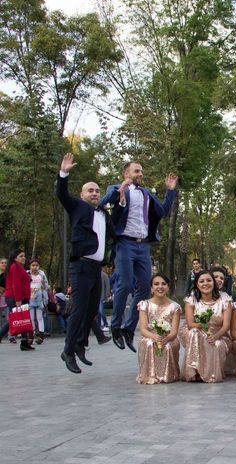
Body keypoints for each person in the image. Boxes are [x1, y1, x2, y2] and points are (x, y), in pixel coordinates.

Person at [100, 161, 177, 353]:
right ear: (126, 173)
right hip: (124, 243)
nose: (140, 173)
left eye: (141, 171)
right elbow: (104, 203)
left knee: (144, 287)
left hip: (143, 246)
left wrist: (170, 191)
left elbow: (163, 212)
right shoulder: (117, 188)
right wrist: (122, 187)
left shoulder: (146, 193)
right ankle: (116, 326)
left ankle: (128, 329)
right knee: (125, 284)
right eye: (136, 171)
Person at [55, 154, 111, 373]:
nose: (95, 193)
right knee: (79, 310)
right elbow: (61, 194)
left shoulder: (103, 213)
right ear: (82, 194)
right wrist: (64, 173)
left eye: (97, 191)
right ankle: (68, 351)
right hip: (80, 266)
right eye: (91, 190)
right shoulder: (77, 206)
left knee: (90, 311)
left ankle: (79, 345)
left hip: (96, 268)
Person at [180, 270, 232, 383]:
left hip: (220, 334)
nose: (205, 283)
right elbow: (190, 324)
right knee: (194, 332)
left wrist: (216, 336)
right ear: (197, 284)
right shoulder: (191, 298)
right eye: (202, 281)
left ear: (214, 282)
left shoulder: (225, 298)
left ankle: (210, 374)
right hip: (194, 331)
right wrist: (203, 325)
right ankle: (193, 372)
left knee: (216, 344)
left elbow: (226, 325)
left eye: (209, 280)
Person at [136, 273, 182, 384]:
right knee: (149, 343)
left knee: (168, 345)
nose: (160, 287)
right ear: (152, 288)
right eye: (156, 284)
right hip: (150, 336)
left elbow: (174, 332)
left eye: (163, 284)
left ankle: (169, 375)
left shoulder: (175, 307)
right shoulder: (144, 305)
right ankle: (149, 375)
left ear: (168, 288)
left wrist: (166, 338)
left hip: (169, 338)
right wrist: (154, 337)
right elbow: (143, 329)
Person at [0, 249, 33, 350]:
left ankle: (24, 343)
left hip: (19, 297)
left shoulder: (19, 267)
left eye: (24, 256)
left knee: (22, 319)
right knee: (14, 320)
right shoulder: (15, 267)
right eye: (21, 256)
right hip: (14, 297)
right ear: (15, 258)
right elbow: (16, 285)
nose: (24, 258)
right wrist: (18, 300)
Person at [27, 258, 49, 344]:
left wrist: (43, 283)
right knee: (31, 318)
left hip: (39, 298)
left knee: (39, 318)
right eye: (33, 265)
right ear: (30, 266)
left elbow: (46, 287)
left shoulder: (42, 274)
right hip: (30, 298)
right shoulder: (27, 274)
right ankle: (31, 336)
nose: (35, 267)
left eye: (36, 265)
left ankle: (41, 336)